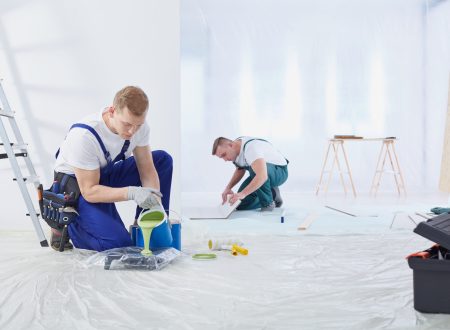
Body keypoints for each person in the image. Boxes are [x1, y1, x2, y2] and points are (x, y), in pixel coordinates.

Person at [51, 86, 172, 251]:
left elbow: (147, 170)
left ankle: (144, 226)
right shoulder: (84, 136)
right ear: (112, 111)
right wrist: (132, 192)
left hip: (103, 174)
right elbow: (90, 191)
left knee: (162, 160)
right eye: (127, 124)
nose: (132, 131)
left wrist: (155, 203)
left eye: (138, 125)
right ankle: (67, 222)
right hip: (77, 188)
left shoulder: (138, 127)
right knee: (117, 246)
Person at [212, 136, 288, 211]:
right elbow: (240, 170)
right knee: (239, 203)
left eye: (224, 155)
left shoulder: (251, 148)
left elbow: (262, 176)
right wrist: (228, 188)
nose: (225, 160)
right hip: (261, 174)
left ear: (231, 145)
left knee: (254, 171)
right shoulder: (235, 150)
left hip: (279, 172)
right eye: (221, 158)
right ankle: (273, 195)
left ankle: (268, 203)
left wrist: (242, 194)